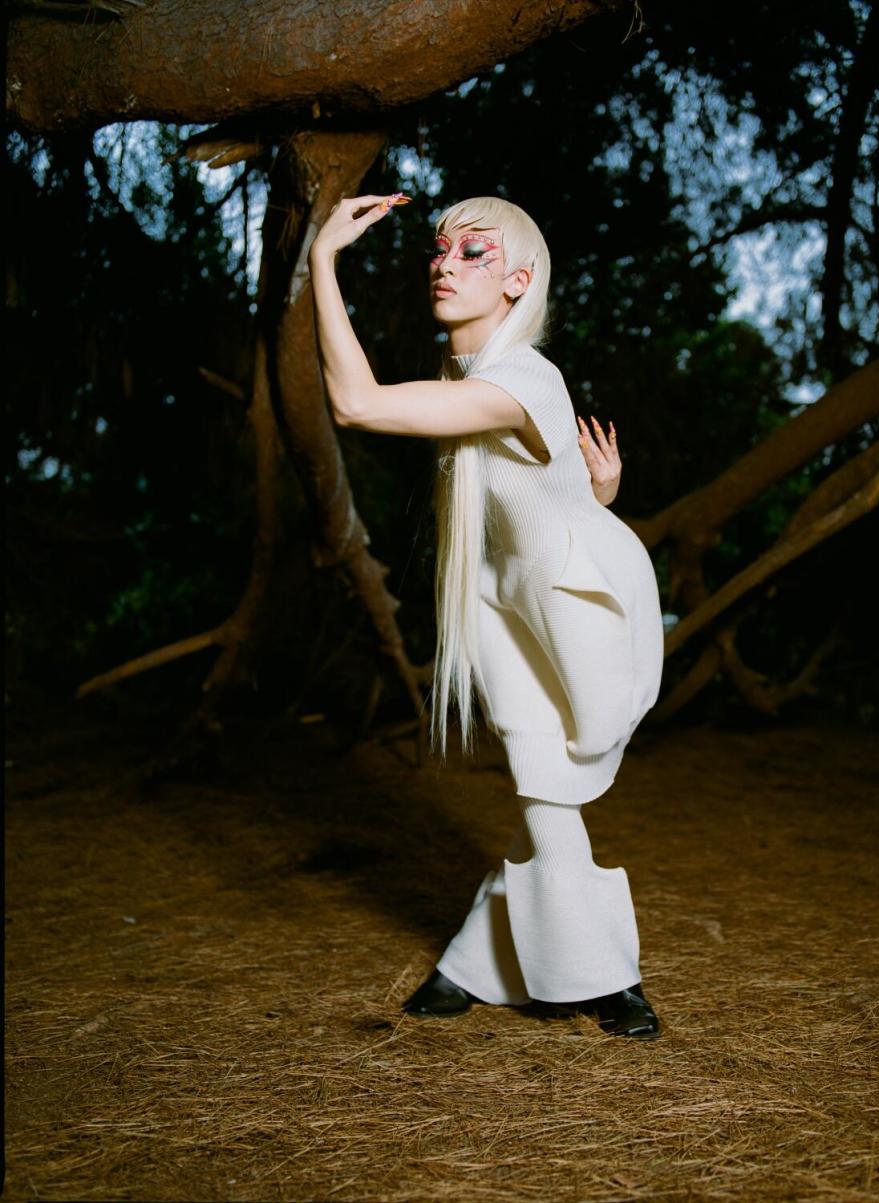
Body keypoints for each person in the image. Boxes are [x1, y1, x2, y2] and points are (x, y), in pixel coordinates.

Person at [309, 192, 664, 1039]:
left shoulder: (522, 377)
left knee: (561, 775)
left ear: (518, 281)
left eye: (473, 252)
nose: (443, 262)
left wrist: (320, 261)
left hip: (578, 603)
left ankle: (556, 972)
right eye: (441, 248)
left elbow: (356, 403)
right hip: (510, 601)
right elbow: (536, 485)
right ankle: (525, 969)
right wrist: (597, 490)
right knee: (544, 792)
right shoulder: (469, 377)